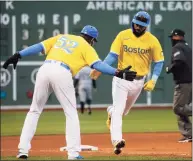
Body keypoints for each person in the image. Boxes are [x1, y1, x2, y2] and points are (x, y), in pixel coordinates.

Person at [3, 25, 137, 160]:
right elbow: (98, 65)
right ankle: (73, 153)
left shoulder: (62, 37)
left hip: (45, 69)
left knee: (34, 110)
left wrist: (19, 54)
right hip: (62, 71)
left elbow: (39, 46)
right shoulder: (86, 47)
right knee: (71, 112)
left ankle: (22, 151)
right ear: (92, 40)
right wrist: (118, 73)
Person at [90, 11, 164, 154]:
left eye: (141, 26)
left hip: (138, 81)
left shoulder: (152, 40)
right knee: (119, 111)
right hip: (122, 78)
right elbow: (113, 55)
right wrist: (100, 68)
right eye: (136, 24)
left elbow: (159, 62)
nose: (138, 27)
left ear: (146, 26)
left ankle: (110, 112)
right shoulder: (123, 35)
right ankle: (117, 141)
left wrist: (153, 80)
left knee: (123, 112)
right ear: (133, 21)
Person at [166, 29, 192, 143]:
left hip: (183, 83)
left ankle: (188, 134)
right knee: (182, 109)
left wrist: (169, 68)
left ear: (178, 37)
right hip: (189, 81)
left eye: (173, 37)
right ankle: (189, 134)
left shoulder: (178, 47)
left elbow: (179, 61)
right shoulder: (187, 47)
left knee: (178, 108)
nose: (172, 39)